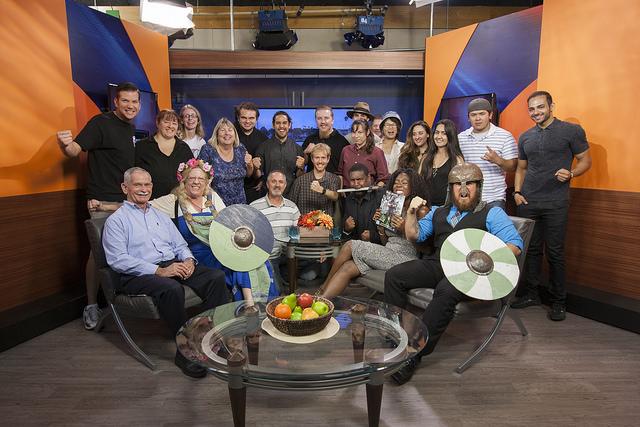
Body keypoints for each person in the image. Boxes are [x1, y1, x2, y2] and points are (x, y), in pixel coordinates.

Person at [384, 163, 523, 384]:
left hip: (470, 274)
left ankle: (413, 353)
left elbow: (514, 245)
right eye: (458, 184)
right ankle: (395, 336)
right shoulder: (440, 211)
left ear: (479, 186)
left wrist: (482, 257)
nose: (464, 189)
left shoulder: (491, 212)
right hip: (438, 264)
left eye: (470, 183)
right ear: (451, 188)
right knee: (394, 275)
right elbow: (415, 236)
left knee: (445, 290)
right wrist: (411, 211)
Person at [102, 167, 229, 378]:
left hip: (171, 263)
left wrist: (188, 260)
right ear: (125, 188)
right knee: (171, 288)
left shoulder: (159, 215)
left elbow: (179, 244)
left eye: (147, 184)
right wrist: (158, 270)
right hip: (138, 273)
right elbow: (118, 260)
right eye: (138, 185)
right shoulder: (116, 221)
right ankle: (185, 352)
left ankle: (211, 340)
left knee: (215, 277)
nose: (144, 189)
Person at [56, 81, 140, 330]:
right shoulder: (100, 123)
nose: (130, 105)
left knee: (125, 251)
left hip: (125, 203)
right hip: (101, 202)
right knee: (98, 254)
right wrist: (65, 144)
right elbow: (74, 151)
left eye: (135, 101)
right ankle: (91, 306)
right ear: (116, 101)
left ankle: (117, 305)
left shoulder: (129, 128)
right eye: (125, 100)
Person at [511, 91, 591, 321]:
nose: (536, 112)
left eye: (540, 107)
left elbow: (586, 160)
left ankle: (558, 302)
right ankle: (531, 294)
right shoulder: (525, 137)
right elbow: (521, 168)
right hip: (528, 201)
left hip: (556, 201)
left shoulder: (571, 131)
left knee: (555, 252)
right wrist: (517, 193)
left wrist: (572, 173)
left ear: (551, 106)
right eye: (532, 109)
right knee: (532, 251)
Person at [152, 159, 278, 304]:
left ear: (206, 183)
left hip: (220, 249)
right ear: (184, 181)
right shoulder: (173, 201)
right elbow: (144, 204)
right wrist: (121, 206)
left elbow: (228, 223)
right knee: (240, 261)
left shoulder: (213, 198)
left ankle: (258, 305)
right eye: (192, 178)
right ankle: (249, 305)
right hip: (198, 256)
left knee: (255, 258)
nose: (196, 182)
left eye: (201, 179)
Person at [319, 168, 429, 297]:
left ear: (413, 186)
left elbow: (425, 247)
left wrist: (404, 228)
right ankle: (321, 304)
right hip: (388, 252)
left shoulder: (420, 209)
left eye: (404, 182)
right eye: (396, 182)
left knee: (350, 245)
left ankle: (323, 286)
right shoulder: (392, 206)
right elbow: (386, 241)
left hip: (406, 259)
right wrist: (381, 227)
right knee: (348, 267)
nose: (399, 185)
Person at [458, 98, 518, 209]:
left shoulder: (504, 136)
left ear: (490, 115)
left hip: (494, 199)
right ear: (468, 118)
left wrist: (498, 160)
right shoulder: (461, 138)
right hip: (468, 198)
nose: (478, 118)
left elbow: (513, 167)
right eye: (473, 115)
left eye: (482, 114)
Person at [250, 170, 301, 292]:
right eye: (273, 181)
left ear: (285, 185)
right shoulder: (254, 207)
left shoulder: (292, 207)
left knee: (311, 272)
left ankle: (284, 278)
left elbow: (298, 235)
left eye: (281, 182)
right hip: (268, 257)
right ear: (267, 184)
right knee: (277, 291)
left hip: (289, 255)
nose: (277, 185)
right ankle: (281, 282)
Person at [135, 109, 193, 198]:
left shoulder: (184, 148)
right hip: (150, 202)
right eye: (166, 122)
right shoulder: (142, 146)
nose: (170, 126)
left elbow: (191, 174)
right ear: (157, 123)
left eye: (174, 123)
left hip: (179, 201)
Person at [198, 117, 255, 205]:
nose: (227, 133)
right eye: (222, 130)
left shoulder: (240, 149)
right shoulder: (208, 150)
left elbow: (248, 174)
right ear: (216, 134)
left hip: (240, 204)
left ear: (234, 134)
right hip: (216, 204)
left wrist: (250, 165)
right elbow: (198, 175)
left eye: (230, 130)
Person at [255, 111, 305, 196]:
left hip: (291, 194)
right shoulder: (263, 147)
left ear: (289, 125)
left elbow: (298, 175)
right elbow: (257, 175)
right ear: (273, 125)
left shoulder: (297, 148)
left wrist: (301, 168)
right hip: (269, 194)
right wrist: (255, 168)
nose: (281, 126)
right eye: (278, 123)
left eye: (284, 123)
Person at [420, 119, 465, 207]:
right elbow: (419, 182)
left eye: (444, 133)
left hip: (447, 209)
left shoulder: (457, 159)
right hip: (425, 208)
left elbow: (461, 188)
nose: (439, 136)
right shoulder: (426, 157)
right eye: (437, 132)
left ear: (450, 136)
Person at [289, 143, 341, 217]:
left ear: (328, 159)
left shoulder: (333, 178)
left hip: (326, 226)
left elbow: (336, 196)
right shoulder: (300, 181)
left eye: (323, 158)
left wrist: (323, 190)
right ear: (312, 159)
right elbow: (291, 204)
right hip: (304, 226)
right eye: (317, 157)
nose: (320, 161)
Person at [338, 119, 390, 188]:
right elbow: (340, 174)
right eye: (354, 132)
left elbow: (383, 178)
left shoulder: (377, 152)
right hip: (347, 194)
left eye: (360, 132)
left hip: (369, 194)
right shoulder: (346, 150)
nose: (356, 136)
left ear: (367, 132)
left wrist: (375, 193)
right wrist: (341, 190)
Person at [235, 101, 268, 203]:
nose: (247, 121)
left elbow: (268, 162)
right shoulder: (230, 134)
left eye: (251, 118)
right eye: (244, 117)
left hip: (255, 188)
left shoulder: (263, 138)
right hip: (233, 186)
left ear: (256, 119)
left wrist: (263, 180)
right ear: (238, 118)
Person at [301, 105, 350, 174]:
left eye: (326, 118)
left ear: (332, 120)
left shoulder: (342, 142)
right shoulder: (309, 140)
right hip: (312, 183)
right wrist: (305, 152)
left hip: (334, 183)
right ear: (316, 120)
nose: (323, 121)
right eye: (319, 118)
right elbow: (301, 165)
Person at [341, 163, 384, 243]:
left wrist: (373, 236)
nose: (356, 184)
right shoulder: (348, 200)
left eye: (359, 179)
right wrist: (347, 229)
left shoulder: (381, 196)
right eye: (352, 180)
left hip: (378, 248)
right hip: (356, 249)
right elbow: (345, 237)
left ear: (368, 178)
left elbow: (391, 236)